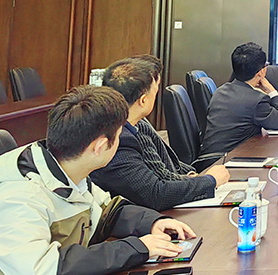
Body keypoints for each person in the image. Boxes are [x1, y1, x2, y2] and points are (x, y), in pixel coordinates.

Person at [0, 86, 196, 275]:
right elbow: (39, 273)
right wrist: (136, 248)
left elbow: (106, 211)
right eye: (119, 136)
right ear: (100, 146)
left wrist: (152, 222)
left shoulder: (67, 166)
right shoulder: (17, 198)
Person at [91, 57, 230, 210]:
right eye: (155, 91)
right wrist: (210, 181)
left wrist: (192, 178)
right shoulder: (117, 138)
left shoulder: (133, 124)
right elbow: (155, 194)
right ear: (143, 100)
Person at [200, 42, 278, 155]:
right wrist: (271, 91)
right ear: (262, 71)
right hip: (228, 160)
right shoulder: (256, 100)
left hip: (209, 159)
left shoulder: (220, 91)